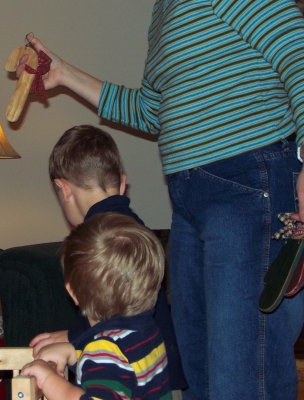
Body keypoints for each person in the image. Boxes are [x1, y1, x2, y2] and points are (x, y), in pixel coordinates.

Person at [16, 1, 304, 398]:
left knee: (241, 375)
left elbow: (297, 54)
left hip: (249, 184)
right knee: (197, 368)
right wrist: (63, 74)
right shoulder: (164, 9)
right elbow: (152, 110)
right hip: (190, 199)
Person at [30, 124, 186, 391]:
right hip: (155, 363)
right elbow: (125, 306)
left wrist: (68, 352)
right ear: (122, 183)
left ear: (63, 188)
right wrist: (75, 338)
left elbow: (114, 315)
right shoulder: (134, 231)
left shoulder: (99, 237)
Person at [21, 212, 171, 400]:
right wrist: (74, 353)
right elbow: (119, 374)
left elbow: (109, 365)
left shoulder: (105, 351)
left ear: (72, 292)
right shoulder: (146, 331)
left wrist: (49, 380)